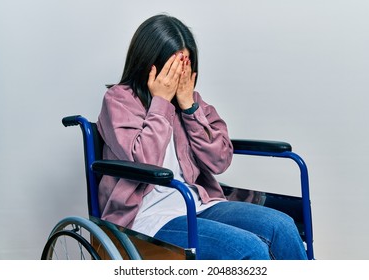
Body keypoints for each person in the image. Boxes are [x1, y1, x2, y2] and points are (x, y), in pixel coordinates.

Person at [97, 14, 308, 260]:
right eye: (172, 69)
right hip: (145, 218)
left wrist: (189, 109)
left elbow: (219, 161)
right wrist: (161, 102)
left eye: (184, 67)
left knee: (282, 225)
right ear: (149, 65)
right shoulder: (119, 100)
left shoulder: (192, 101)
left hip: (199, 203)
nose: (179, 77)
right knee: (249, 249)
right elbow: (144, 161)